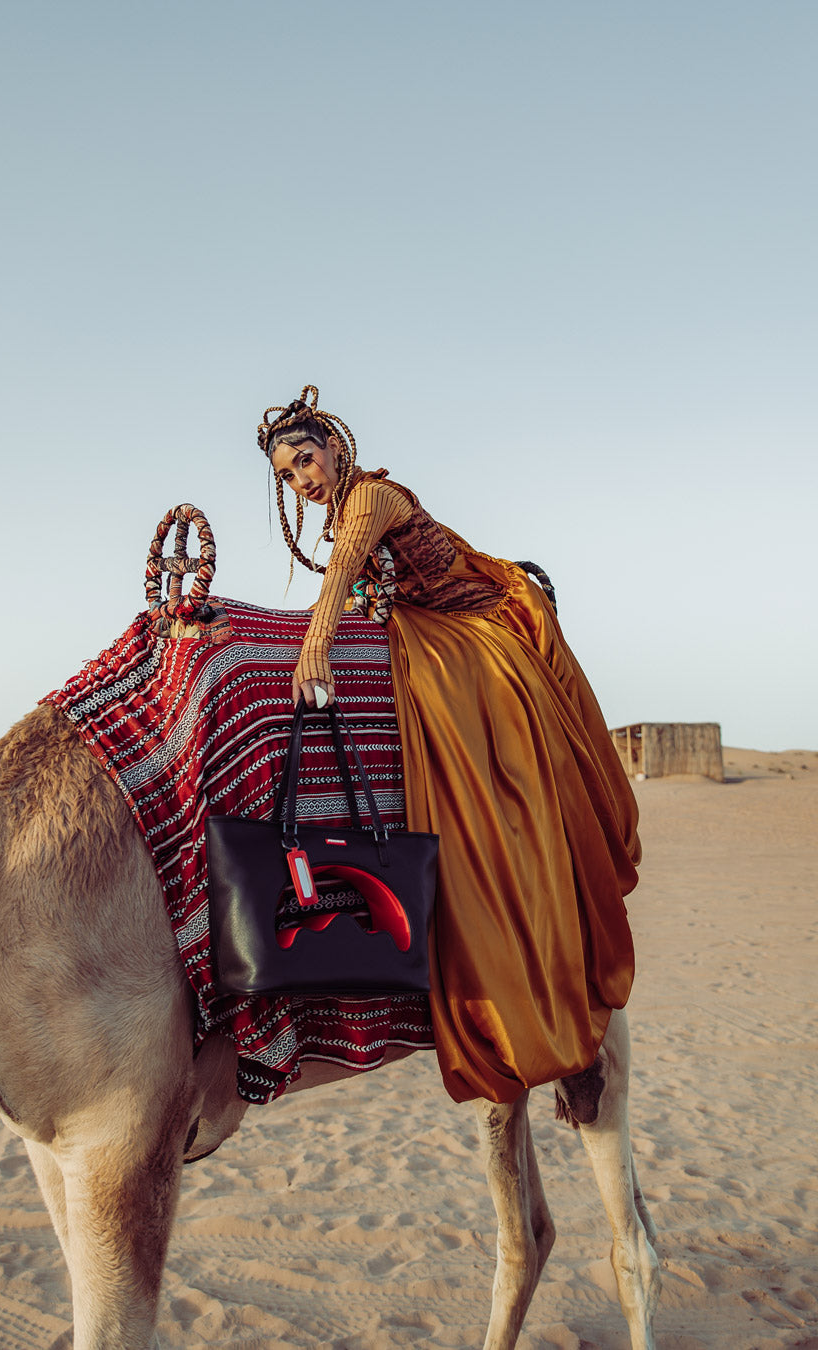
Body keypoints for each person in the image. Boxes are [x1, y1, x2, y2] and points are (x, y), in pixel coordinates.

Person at [258, 385, 640, 1104]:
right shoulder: (343, 513)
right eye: (287, 475)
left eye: (306, 460)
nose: (302, 479)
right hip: (428, 627)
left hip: (477, 629)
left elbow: (340, 581)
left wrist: (313, 653)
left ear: (335, 448)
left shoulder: (369, 500)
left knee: (480, 749)